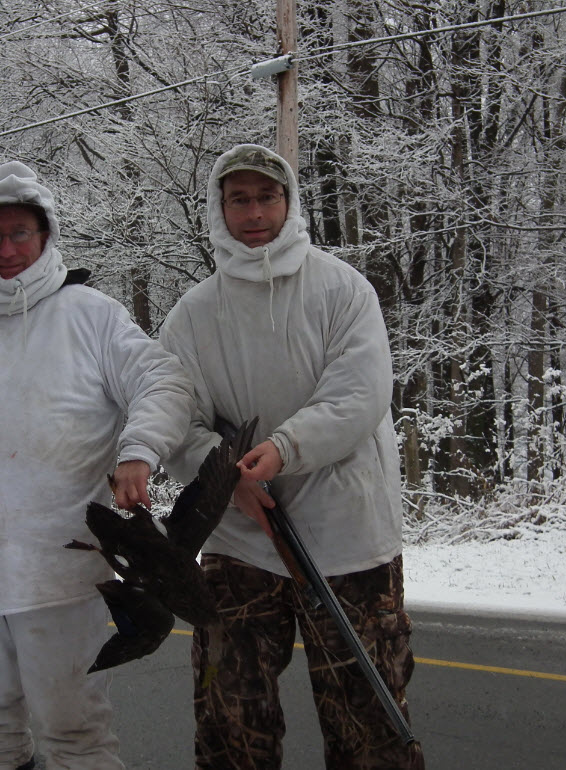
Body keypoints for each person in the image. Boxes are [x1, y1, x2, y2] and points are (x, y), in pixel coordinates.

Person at [0, 160, 194, 770]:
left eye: (20, 233)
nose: (7, 249)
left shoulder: (90, 315)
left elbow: (164, 382)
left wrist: (138, 450)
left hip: (65, 571)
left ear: (46, 235)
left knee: (73, 732)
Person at [159, 144, 425, 769]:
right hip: (239, 539)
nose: (254, 212)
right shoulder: (193, 316)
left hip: (347, 536)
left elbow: (358, 396)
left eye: (267, 197)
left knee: (368, 722)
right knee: (231, 721)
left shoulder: (342, 290)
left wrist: (281, 450)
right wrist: (227, 482)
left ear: (289, 202)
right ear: (219, 209)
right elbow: (175, 418)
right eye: (239, 199)